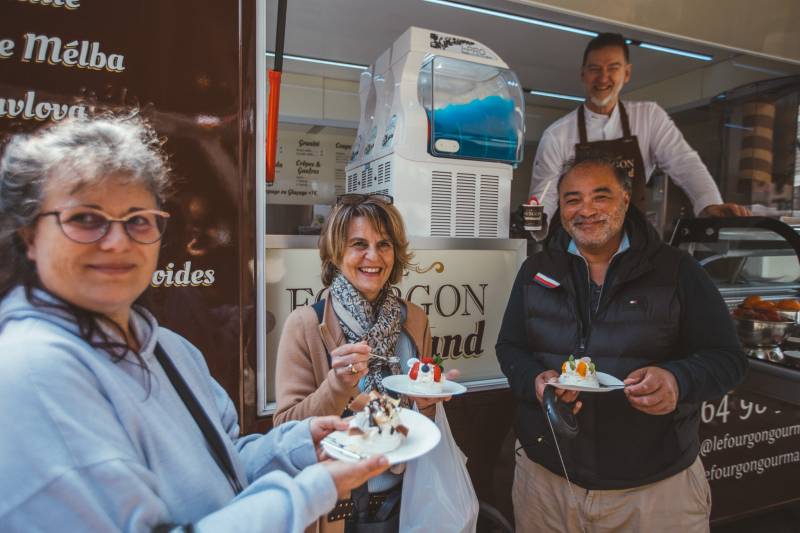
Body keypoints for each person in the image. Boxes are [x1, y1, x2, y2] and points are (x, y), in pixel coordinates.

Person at [0, 115, 390, 532]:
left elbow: (227, 463)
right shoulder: (31, 370)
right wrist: (310, 491)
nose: (117, 242)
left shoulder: (169, 348)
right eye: (85, 219)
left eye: (137, 220)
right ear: (28, 236)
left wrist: (298, 445)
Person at [496, 153, 748, 532]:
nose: (586, 210)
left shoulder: (677, 271)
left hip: (653, 492)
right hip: (546, 481)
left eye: (601, 196)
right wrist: (534, 379)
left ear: (626, 200)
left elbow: (728, 359)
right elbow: (510, 346)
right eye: (572, 199)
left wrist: (677, 380)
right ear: (560, 208)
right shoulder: (537, 271)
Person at [273, 194, 460, 533]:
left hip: (407, 501)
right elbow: (285, 429)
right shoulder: (305, 325)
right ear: (336, 252)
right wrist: (337, 386)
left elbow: (419, 419)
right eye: (359, 244)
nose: (373, 257)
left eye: (383, 244)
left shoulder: (414, 319)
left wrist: (428, 403)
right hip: (337, 509)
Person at [529, 32, 749, 238]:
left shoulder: (649, 117)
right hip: (579, 243)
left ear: (626, 73)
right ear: (583, 74)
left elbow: (684, 162)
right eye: (595, 69)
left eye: (612, 68)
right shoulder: (557, 134)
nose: (603, 77)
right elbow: (545, 194)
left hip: (634, 243)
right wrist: (537, 225)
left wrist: (709, 203)